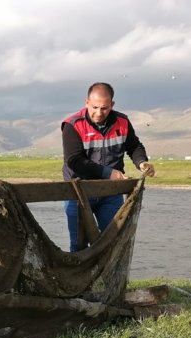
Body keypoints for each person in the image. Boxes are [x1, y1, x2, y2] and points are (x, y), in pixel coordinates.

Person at [61, 82, 155, 252]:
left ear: (112, 104)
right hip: (79, 192)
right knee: (78, 246)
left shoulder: (122, 122)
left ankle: (105, 278)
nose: (99, 113)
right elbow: (74, 160)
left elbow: (134, 146)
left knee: (110, 242)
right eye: (95, 107)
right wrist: (108, 172)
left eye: (104, 108)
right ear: (86, 103)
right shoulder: (72, 125)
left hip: (111, 193)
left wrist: (142, 162)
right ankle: (81, 279)